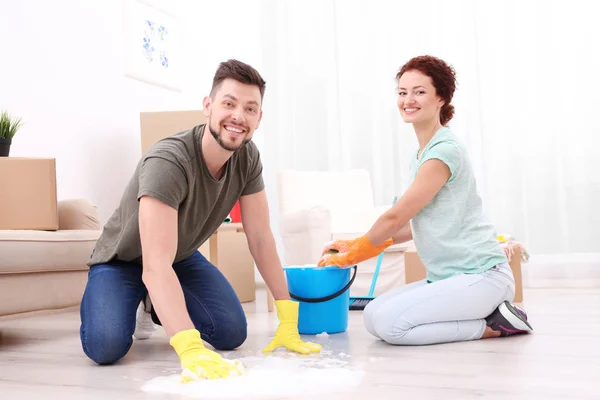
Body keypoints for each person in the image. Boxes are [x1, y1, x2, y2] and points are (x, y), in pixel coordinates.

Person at [80, 59, 321, 382]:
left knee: (231, 332)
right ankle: (142, 298)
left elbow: (261, 238)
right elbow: (154, 264)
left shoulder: (248, 159)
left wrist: (287, 316)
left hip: (177, 257)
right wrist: (189, 347)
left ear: (259, 118)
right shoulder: (169, 161)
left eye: (250, 109)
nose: (239, 116)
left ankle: (156, 304)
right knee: (105, 346)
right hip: (123, 260)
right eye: (229, 104)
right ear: (208, 106)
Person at [318, 55, 533, 346]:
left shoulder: (443, 151)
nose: (408, 100)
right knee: (373, 316)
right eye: (402, 92)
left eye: (419, 92)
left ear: (441, 98)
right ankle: (490, 316)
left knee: (390, 325)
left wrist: (357, 251)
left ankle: (496, 325)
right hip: (447, 278)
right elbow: (415, 226)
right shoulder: (421, 153)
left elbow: (395, 218)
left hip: (481, 277)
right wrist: (365, 243)